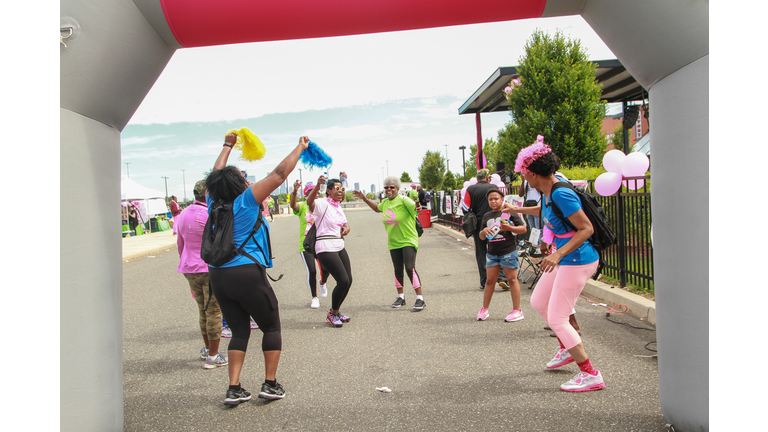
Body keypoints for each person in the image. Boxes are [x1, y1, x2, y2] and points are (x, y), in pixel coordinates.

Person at [205, 133, 309, 406]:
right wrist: (300, 146)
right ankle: (270, 384)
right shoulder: (246, 201)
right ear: (239, 184)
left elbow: (215, 173)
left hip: (217, 275)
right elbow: (278, 174)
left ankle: (234, 388)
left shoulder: (212, 204)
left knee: (239, 331)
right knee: (271, 325)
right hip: (246, 273)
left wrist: (227, 145)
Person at [506, 135, 604, 392]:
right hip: (564, 259)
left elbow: (586, 228)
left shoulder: (561, 193)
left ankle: (590, 373)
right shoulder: (548, 191)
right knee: (539, 302)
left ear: (534, 173)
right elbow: (544, 212)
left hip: (577, 260)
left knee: (558, 317)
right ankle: (566, 349)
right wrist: (513, 209)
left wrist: (557, 254)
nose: (524, 179)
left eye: (524, 174)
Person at [176, 180, 227, 370]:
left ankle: (208, 349)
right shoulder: (207, 214)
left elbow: (180, 243)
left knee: (202, 310)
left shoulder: (183, 213)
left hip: (189, 267)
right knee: (214, 310)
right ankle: (213, 356)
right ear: (208, 193)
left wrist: (185, 260)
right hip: (207, 267)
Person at [354, 176, 426, 311]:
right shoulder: (386, 202)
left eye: (392, 187)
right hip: (393, 241)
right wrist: (364, 198)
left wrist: (417, 205)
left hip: (408, 239)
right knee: (397, 269)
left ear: (397, 189)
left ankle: (420, 299)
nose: (389, 189)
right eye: (386, 187)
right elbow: (376, 208)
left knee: (410, 268)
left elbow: (416, 208)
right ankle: (401, 297)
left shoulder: (404, 200)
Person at [306, 174, 353, 328]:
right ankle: (332, 313)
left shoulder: (337, 206)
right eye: (337, 189)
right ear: (328, 190)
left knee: (349, 280)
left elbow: (344, 224)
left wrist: (346, 228)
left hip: (339, 245)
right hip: (325, 246)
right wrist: (317, 186)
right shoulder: (322, 203)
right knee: (343, 281)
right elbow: (309, 202)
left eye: (342, 189)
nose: (340, 191)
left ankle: (336, 311)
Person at [476, 189, 526, 322]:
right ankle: (484, 309)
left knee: (512, 280)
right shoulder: (486, 216)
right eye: (491, 199)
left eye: (496, 198)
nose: (493, 201)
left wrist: (510, 228)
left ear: (502, 199)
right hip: (492, 253)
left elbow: (523, 229)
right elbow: (481, 236)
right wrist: (484, 231)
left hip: (508, 252)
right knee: (490, 281)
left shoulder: (509, 213)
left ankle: (517, 310)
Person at [461, 169, 508, 291]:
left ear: (477, 179)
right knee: (496, 248)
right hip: (493, 222)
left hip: (478, 224)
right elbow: (498, 203)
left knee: (481, 252)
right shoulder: (493, 187)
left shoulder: (470, 189)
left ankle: (484, 281)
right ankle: (502, 278)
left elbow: (465, 208)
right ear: (487, 178)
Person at [290, 179, 330, 309]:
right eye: (312, 193)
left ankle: (322, 283)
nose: (316, 195)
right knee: (312, 270)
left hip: (320, 242)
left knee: (326, 269)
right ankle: (314, 297)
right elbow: (293, 205)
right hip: (306, 244)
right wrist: (295, 192)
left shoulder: (323, 205)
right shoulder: (302, 206)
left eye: (317, 193)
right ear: (307, 195)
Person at [517, 178, 542, 243]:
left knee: (539, 229)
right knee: (532, 229)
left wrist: (533, 181)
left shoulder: (538, 179)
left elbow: (541, 191)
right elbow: (520, 194)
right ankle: (533, 246)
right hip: (529, 207)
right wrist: (523, 181)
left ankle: (540, 246)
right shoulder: (526, 181)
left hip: (537, 207)